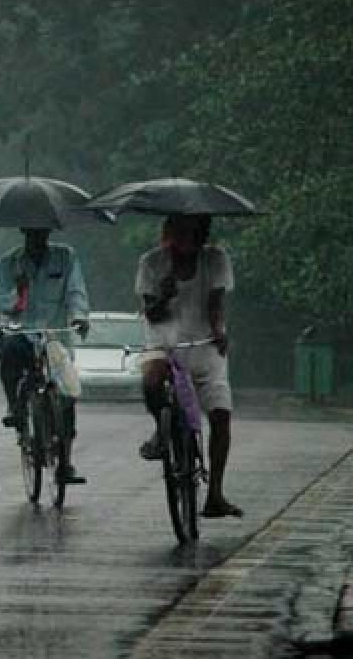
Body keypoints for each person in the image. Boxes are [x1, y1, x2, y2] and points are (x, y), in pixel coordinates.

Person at [136, 214, 241, 518]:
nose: (183, 239)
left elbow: (216, 306)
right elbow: (151, 314)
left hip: (204, 342)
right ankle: (161, 430)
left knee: (221, 416)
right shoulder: (151, 263)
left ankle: (215, 494)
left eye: (190, 232)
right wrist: (164, 297)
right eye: (176, 231)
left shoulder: (216, 260)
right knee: (152, 381)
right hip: (163, 342)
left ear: (200, 233)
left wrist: (220, 330)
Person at [0, 227, 90, 482]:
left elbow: (75, 290)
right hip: (20, 331)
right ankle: (15, 406)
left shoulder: (65, 257)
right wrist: (20, 291)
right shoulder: (7, 264)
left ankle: (65, 463)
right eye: (32, 233)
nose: (38, 238)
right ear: (24, 232)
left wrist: (79, 316)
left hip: (54, 335)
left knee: (67, 395)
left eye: (42, 232)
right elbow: (0, 301)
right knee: (9, 354)